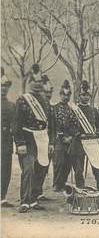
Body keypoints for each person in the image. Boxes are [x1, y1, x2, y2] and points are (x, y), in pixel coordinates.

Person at [14, 64, 54, 213]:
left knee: (41, 169)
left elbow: (52, 124)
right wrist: (20, 143)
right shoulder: (23, 100)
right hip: (28, 139)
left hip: (43, 139)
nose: (37, 84)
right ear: (30, 82)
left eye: (39, 82)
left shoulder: (45, 101)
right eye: (34, 81)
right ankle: (25, 201)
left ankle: (34, 199)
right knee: (28, 169)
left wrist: (52, 142)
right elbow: (16, 124)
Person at [71, 80, 99, 190]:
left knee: (98, 165)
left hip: (91, 141)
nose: (86, 97)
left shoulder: (93, 110)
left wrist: (98, 133)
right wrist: (77, 133)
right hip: (79, 142)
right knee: (78, 169)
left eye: (87, 95)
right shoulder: (74, 111)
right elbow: (69, 125)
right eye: (83, 95)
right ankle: (80, 188)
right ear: (79, 96)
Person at [52, 80, 80, 192]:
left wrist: (72, 136)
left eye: (68, 94)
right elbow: (54, 125)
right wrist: (62, 136)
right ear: (60, 94)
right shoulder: (54, 108)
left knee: (68, 162)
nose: (66, 96)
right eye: (64, 94)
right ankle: (57, 184)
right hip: (59, 139)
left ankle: (62, 182)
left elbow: (76, 124)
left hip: (70, 139)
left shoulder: (72, 109)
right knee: (59, 162)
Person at [31, 75, 54, 202]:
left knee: (44, 168)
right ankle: (33, 194)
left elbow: (53, 127)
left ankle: (38, 192)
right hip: (36, 141)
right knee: (36, 168)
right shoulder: (35, 107)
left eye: (50, 91)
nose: (48, 94)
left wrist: (52, 142)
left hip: (47, 142)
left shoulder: (50, 106)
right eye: (46, 92)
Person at [1, 67, 15, 207]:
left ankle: (2, 197)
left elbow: (15, 125)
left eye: (5, 86)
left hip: (6, 143)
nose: (3, 89)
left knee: (5, 169)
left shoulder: (12, 105)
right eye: (1, 86)